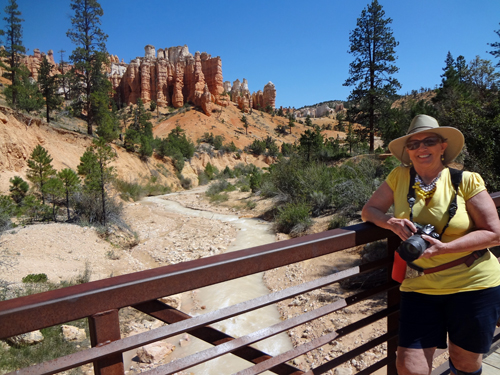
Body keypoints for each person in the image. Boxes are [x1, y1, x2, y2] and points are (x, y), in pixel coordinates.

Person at [361, 114, 500, 375]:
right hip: (420, 284)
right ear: (408, 151)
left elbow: (495, 233)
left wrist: (445, 248)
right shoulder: (399, 177)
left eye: (429, 141)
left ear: (442, 146)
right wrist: (390, 222)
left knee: (465, 362)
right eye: (413, 144)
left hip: (473, 283)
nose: (421, 148)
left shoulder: (466, 180)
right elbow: (369, 211)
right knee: (409, 366)